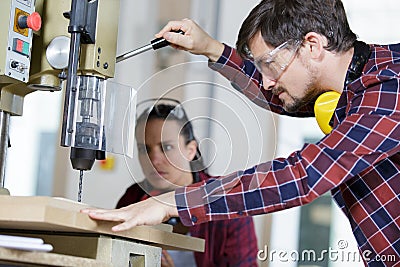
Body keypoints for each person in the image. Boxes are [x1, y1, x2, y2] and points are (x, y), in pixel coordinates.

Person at [82, 1, 400, 266]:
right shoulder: (350, 92)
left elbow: (302, 176)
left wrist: (172, 203)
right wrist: (210, 48)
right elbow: (280, 96)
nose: (266, 82)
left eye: (269, 64)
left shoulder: (388, 93)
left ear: (312, 46)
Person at [116, 98, 258, 267]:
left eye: (167, 147)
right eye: (144, 149)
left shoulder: (229, 203)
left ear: (190, 150)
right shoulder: (132, 199)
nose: (154, 160)